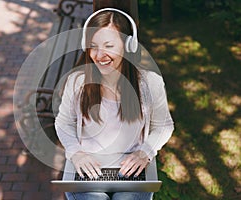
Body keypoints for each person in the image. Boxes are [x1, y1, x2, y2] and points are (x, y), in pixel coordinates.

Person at [54, 8, 174, 200]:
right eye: (93, 46)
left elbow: (163, 125)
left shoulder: (151, 83)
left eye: (109, 45)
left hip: (131, 167)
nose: (99, 55)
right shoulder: (77, 82)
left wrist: (145, 153)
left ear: (129, 46)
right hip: (89, 166)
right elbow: (63, 123)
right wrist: (76, 153)